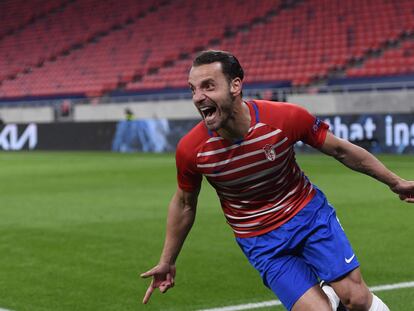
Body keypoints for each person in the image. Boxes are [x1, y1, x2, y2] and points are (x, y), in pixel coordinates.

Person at [141, 50, 414, 311]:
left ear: (235, 86)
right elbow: (185, 203)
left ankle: (335, 293)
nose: (198, 97)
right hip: (261, 241)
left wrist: (395, 182)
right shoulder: (193, 150)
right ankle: (328, 295)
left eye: (208, 86)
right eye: (193, 89)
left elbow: (340, 150)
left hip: (309, 217)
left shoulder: (284, 118)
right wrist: (167, 260)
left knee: (356, 299)